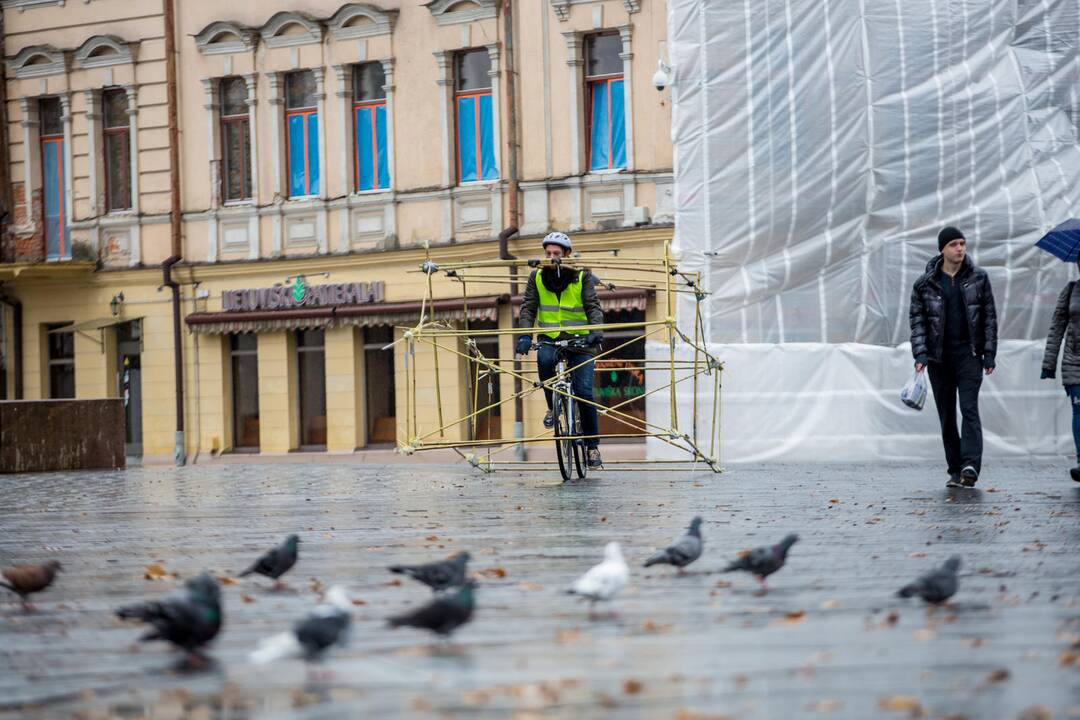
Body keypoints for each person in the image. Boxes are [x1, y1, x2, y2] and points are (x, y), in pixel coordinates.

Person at [909, 226, 998, 488]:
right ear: (942, 250)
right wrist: (921, 353)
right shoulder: (924, 284)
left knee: (969, 408)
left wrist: (989, 353)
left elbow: (989, 318)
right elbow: (918, 322)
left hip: (968, 354)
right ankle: (954, 467)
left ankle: (970, 465)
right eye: (954, 244)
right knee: (946, 414)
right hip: (939, 358)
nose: (960, 248)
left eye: (962, 243)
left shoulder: (979, 278)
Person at [515, 231, 605, 469]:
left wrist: (596, 331)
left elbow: (593, 306)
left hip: (581, 342)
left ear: (567, 254)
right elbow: (528, 309)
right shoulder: (536, 277)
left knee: (584, 392)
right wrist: (525, 334)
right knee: (543, 361)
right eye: (548, 253)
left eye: (557, 253)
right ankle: (552, 407)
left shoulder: (581, 276)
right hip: (550, 339)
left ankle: (592, 447)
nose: (552, 257)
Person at [1040, 262, 1080, 483]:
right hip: (1075, 361)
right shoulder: (1071, 290)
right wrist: (1049, 363)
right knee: (1079, 410)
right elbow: (1056, 327)